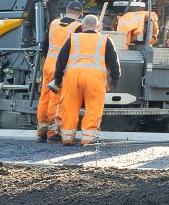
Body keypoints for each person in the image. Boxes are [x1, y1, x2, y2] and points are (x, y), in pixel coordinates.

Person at [48, 13, 122, 147]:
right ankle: (88, 139)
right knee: (93, 108)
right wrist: (115, 78)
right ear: (98, 27)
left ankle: (67, 137)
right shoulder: (105, 40)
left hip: (72, 78)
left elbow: (60, 61)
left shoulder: (73, 39)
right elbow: (114, 62)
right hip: (95, 79)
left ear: (82, 26)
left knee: (69, 107)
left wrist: (58, 79)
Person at [35, 0, 85, 142]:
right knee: (57, 100)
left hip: (48, 65)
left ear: (67, 10)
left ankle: (41, 131)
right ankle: (53, 131)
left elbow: (45, 46)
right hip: (62, 68)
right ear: (81, 13)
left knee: (44, 97)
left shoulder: (54, 23)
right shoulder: (78, 27)